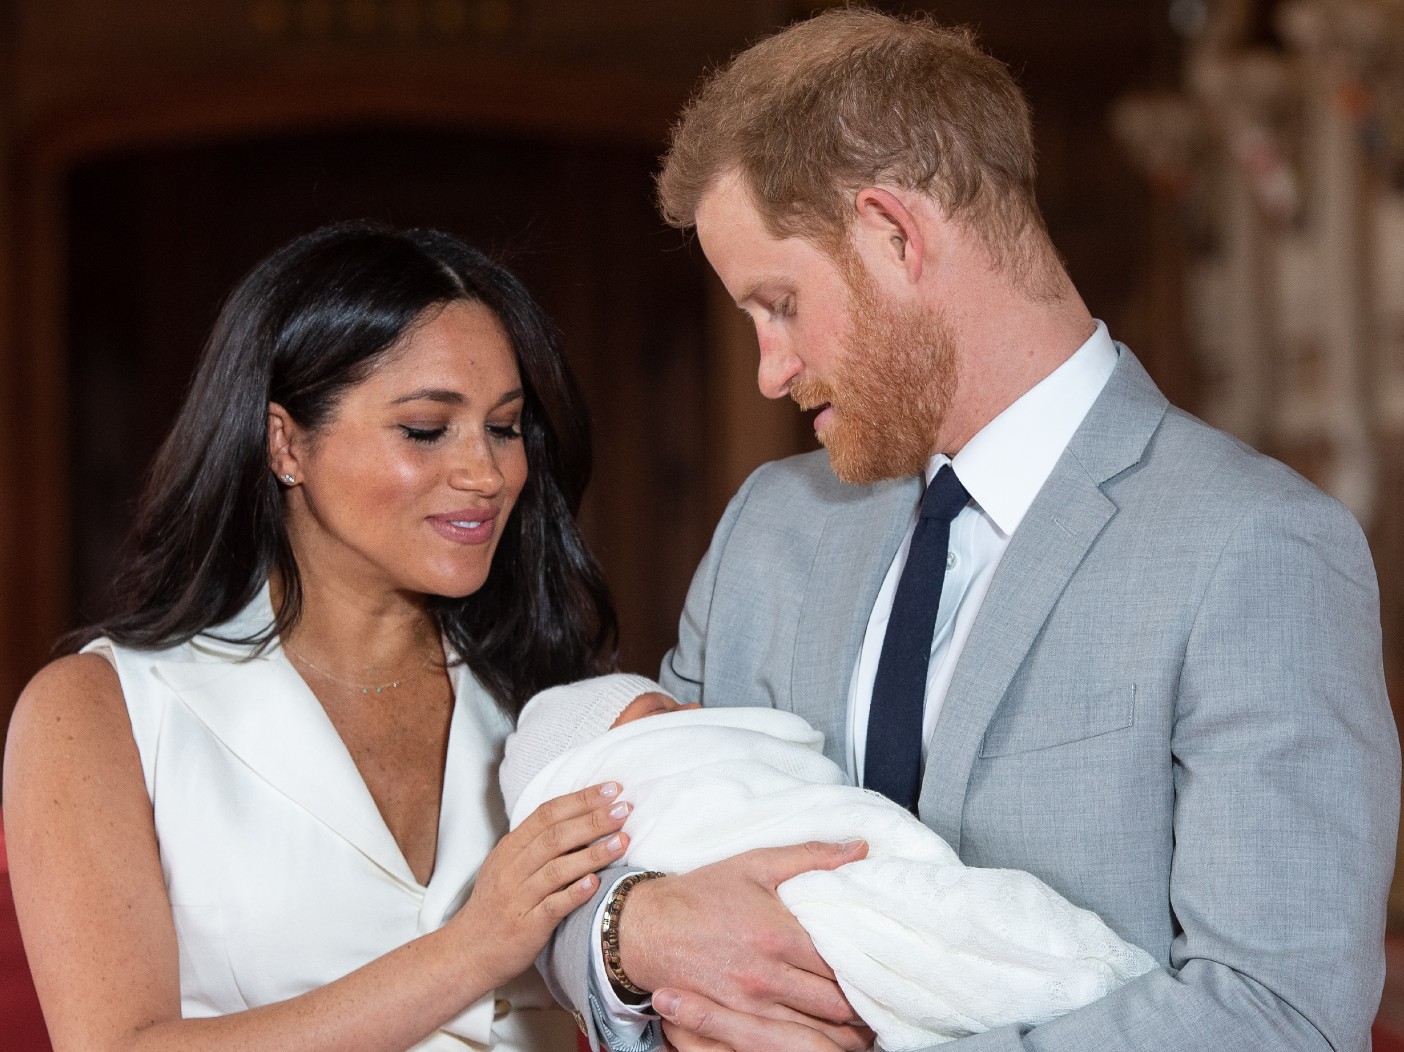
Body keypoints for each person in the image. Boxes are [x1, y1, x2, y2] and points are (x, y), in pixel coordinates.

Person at [541, 9, 1402, 1052]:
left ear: (893, 234)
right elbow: (610, 837)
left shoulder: (1258, 547)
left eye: (779, 303)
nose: (770, 367)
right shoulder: (771, 524)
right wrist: (636, 931)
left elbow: (1281, 1015)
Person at [4, 221, 636, 1052]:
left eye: (505, 427)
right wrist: (469, 950)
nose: (487, 474)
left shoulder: (557, 700)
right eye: (424, 429)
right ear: (285, 441)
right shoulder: (103, 710)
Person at [501, 673, 1156, 1050]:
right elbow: (553, 896)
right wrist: (631, 927)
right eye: (666, 712)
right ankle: (1071, 971)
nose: (695, 710)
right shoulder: (759, 524)